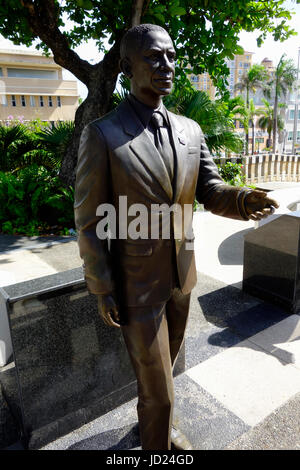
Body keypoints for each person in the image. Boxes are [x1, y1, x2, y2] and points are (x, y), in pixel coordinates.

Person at [74, 24, 279, 450]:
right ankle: (158, 449)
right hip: (135, 287)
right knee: (162, 393)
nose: (166, 65)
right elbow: (90, 221)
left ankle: (153, 426)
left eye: (170, 56)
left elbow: (210, 190)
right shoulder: (103, 135)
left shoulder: (191, 130)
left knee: (164, 377)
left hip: (181, 279)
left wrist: (243, 200)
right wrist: (102, 286)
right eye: (153, 57)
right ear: (129, 66)